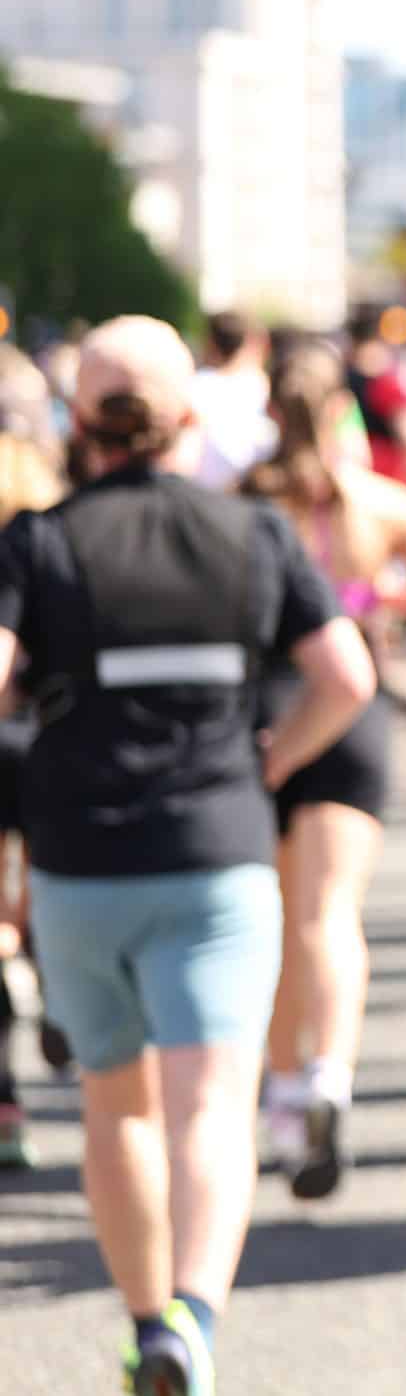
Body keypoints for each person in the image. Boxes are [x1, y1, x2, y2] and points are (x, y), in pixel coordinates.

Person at [6, 317, 374, 1396]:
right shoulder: (253, 535)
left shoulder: (39, 542)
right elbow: (346, 676)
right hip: (217, 852)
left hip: (79, 864)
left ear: (80, 420)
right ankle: (191, 1320)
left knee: (116, 1107)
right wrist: (269, 762)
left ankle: (137, 1314)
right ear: (186, 419)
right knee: (211, 1103)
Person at [243, 344, 406, 1199]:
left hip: (272, 705)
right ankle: (330, 1077)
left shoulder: (249, 501)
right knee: (333, 912)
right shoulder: (378, 503)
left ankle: (279, 1093)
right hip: (354, 706)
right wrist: (374, 599)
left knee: (276, 918)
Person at [0, 431, 66, 1170]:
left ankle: (5, 1099)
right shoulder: (51, 551)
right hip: (42, 744)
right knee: (47, 888)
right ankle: (58, 998)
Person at [187, 311, 274, 494]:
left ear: (210, 342)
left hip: (201, 493)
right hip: (248, 493)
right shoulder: (261, 387)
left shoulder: (194, 386)